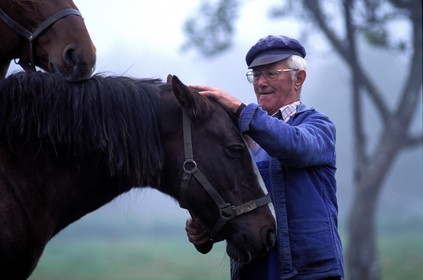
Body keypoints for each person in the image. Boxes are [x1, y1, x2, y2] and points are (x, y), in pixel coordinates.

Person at [185, 35, 344, 279]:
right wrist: (206, 231)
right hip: (252, 270)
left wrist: (239, 108)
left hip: (309, 272)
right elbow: (236, 205)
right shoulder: (241, 137)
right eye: (255, 75)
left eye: (271, 73)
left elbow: (293, 146)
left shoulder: (319, 126)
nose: (260, 83)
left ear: (298, 78)